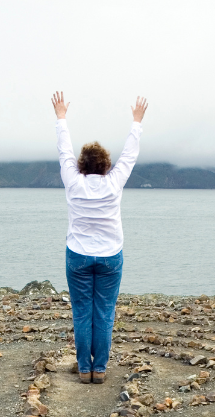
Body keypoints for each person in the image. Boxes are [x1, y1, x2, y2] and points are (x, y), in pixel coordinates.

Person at [52, 91, 148, 384]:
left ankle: (84, 368)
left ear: (81, 165)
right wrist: (136, 122)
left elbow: (64, 152)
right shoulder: (114, 183)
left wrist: (61, 118)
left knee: (82, 312)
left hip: (78, 255)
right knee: (104, 312)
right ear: (106, 164)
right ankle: (101, 369)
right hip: (110, 256)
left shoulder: (73, 181)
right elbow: (129, 156)